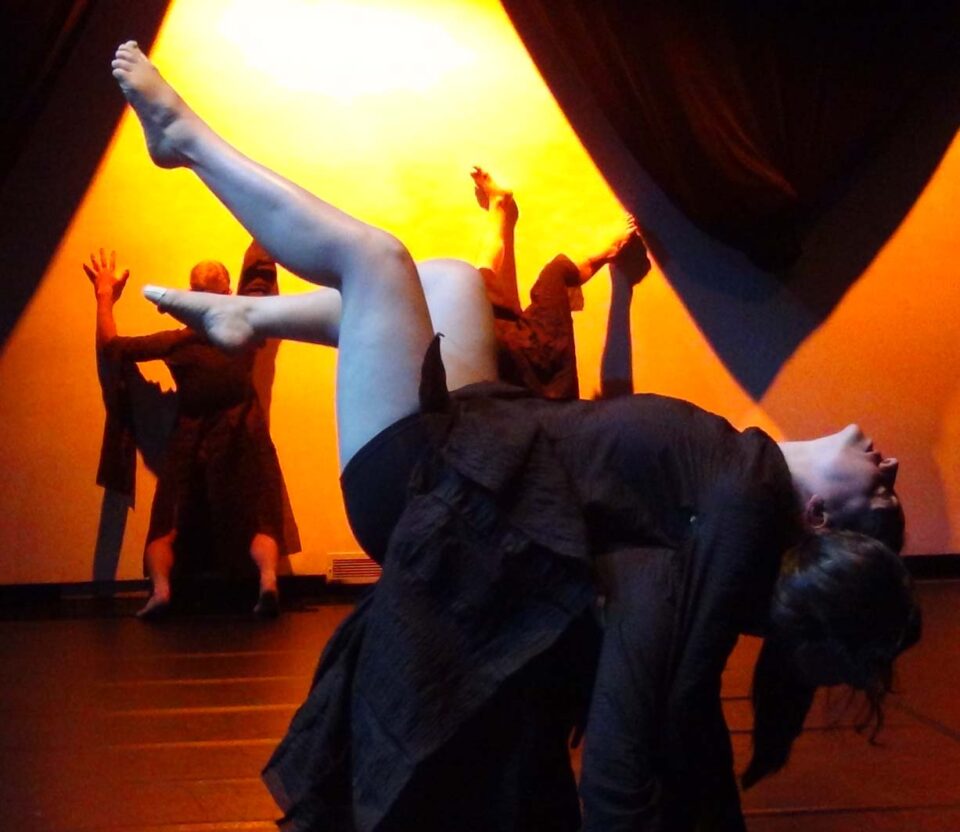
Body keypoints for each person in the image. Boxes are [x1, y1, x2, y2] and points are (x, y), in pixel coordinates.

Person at [111, 41, 920, 831]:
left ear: (819, 518)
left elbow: (677, 700)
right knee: (452, 282)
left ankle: (183, 142)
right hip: (486, 438)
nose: (884, 458)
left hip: (423, 483)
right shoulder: (730, 484)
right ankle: (251, 318)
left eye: (882, 491)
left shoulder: (738, 506)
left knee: (375, 260)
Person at [85, 245, 299, 618]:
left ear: (189, 294)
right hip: (243, 430)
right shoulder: (243, 327)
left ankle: (162, 589)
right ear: (227, 292)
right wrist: (263, 236)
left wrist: (105, 296)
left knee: (167, 524)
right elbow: (259, 281)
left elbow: (113, 348)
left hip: (191, 437)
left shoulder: (179, 342)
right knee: (261, 517)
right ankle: (267, 581)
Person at [470, 166, 649, 399]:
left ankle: (500, 205)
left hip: (491, 345)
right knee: (555, 273)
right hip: (538, 376)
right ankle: (610, 251)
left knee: (476, 282)